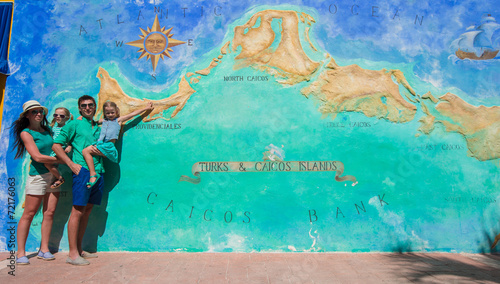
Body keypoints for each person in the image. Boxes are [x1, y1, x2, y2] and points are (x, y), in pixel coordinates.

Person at [52, 95, 104, 266]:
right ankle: (72, 254)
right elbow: (56, 145)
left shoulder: (97, 125)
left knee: (87, 210)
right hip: (82, 171)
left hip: (98, 172)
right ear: (80, 108)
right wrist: (70, 164)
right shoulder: (74, 124)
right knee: (78, 210)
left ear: (95, 106)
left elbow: (118, 120)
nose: (88, 108)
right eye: (84, 106)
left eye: (90, 105)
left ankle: (79, 249)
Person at [11, 100, 63, 264]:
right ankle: (20, 253)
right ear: (27, 115)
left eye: (40, 111)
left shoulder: (47, 130)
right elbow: (37, 157)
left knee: (49, 213)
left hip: (53, 174)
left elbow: (55, 147)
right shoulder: (26, 133)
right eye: (34, 112)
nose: (38, 114)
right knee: (29, 214)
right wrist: (61, 160)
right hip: (38, 177)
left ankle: (44, 249)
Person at [83, 101, 154, 188]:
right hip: (101, 145)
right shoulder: (103, 121)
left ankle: (93, 174)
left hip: (109, 147)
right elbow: (91, 122)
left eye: (112, 112)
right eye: (107, 113)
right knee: (90, 154)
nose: (110, 115)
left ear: (116, 111)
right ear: (104, 113)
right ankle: (94, 175)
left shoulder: (118, 120)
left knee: (86, 151)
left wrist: (146, 108)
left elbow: (133, 114)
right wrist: (79, 118)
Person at [43, 107, 73, 188]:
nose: (58, 117)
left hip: (62, 150)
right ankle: (57, 178)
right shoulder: (52, 128)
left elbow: (71, 139)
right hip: (53, 151)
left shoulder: (68, 128)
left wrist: (70, 146)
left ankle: (60, 178)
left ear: (67, 118)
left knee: (47, 163)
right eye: (56, 115)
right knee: (50, 165)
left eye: (61, 116)